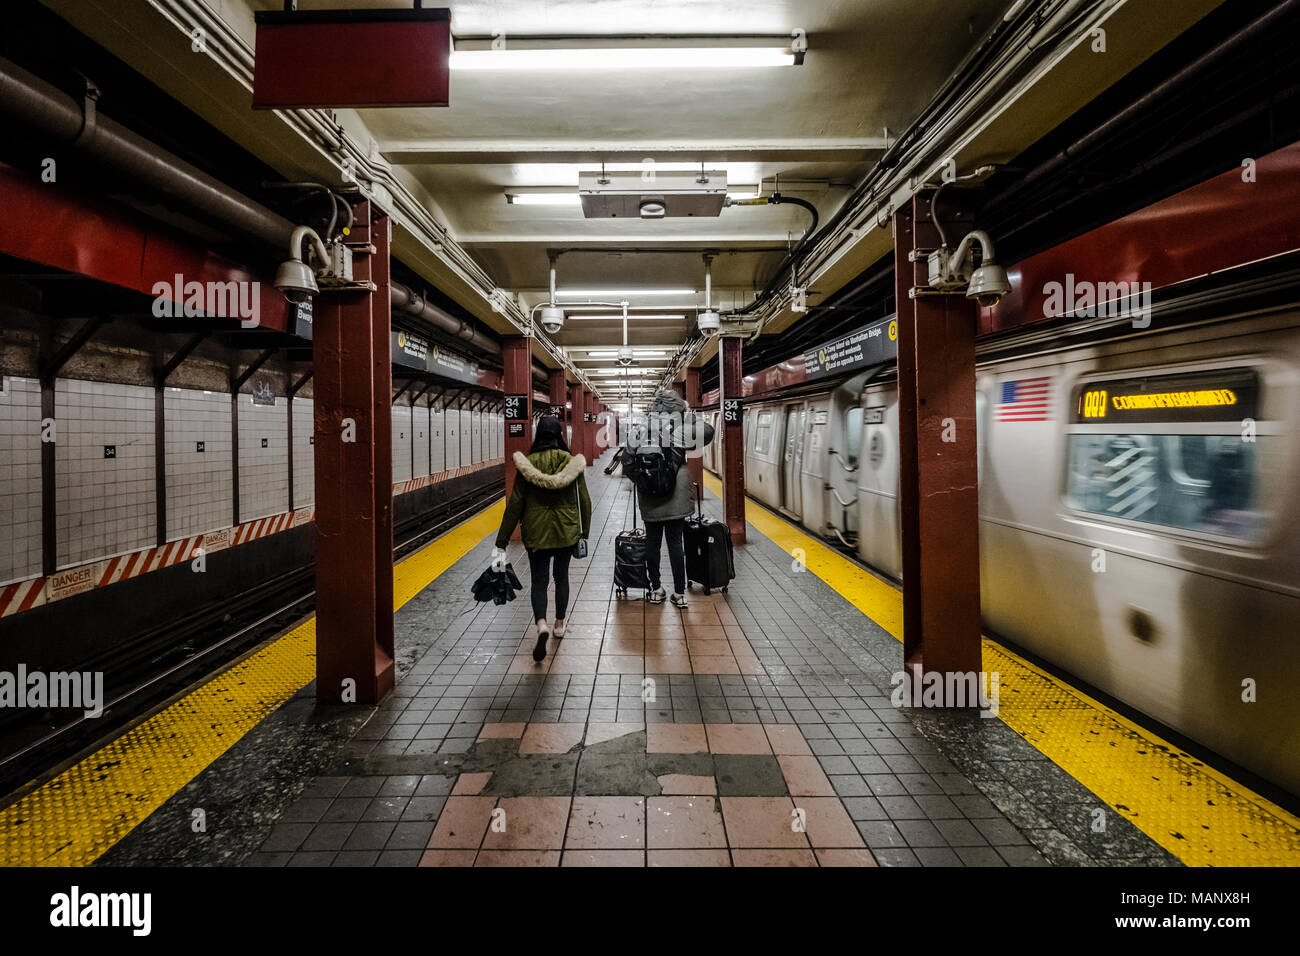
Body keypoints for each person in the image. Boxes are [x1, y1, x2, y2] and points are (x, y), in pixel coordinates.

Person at [491, 416, 591, 662]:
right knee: (561, 577)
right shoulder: (571, 463)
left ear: (539, 435)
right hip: (566, 532)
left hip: (536, 534)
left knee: (538, 582)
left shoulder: (528, 465)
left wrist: (502, 539)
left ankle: (541, 624)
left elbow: (515, 506)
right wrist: (583, 534)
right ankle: (559, 623)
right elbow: (585, 503)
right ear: (560, 435)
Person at [628, 389, 714, 608]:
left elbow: (627, 462)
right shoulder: (680, 430)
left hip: (649, 499)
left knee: (652, 543)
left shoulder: (640, 429)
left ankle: (655, 589)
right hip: (676, 499)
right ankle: (679, 593)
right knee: (675, 544)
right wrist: (688, 416)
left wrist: (643, 481)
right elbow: (709, 431)